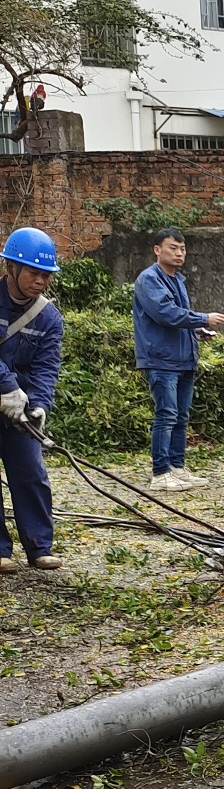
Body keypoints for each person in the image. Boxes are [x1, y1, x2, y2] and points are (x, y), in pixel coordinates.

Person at [132, 227, 224, 493]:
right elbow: (166, 314)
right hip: (161, 360)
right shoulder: (149, 279)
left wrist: (199, 331)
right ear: (157, 250)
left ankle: (177, 467)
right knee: (166, 414)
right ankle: (161, 472)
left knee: (181, 416)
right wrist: (202, 318)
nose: (179, 253)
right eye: (173, 248)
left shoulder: (177, 280)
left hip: (184, 358)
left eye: (182, 249)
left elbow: (180, 316)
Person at [0, 228, 64, 573]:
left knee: (31, 472)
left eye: (45, 275)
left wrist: (39, 406)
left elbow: (46, 367)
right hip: (6, 395)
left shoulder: (48, 316)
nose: (39, 281)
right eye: (32, 273)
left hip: (18, 409)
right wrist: (6, 386)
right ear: (11, 267)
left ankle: (40, 547)